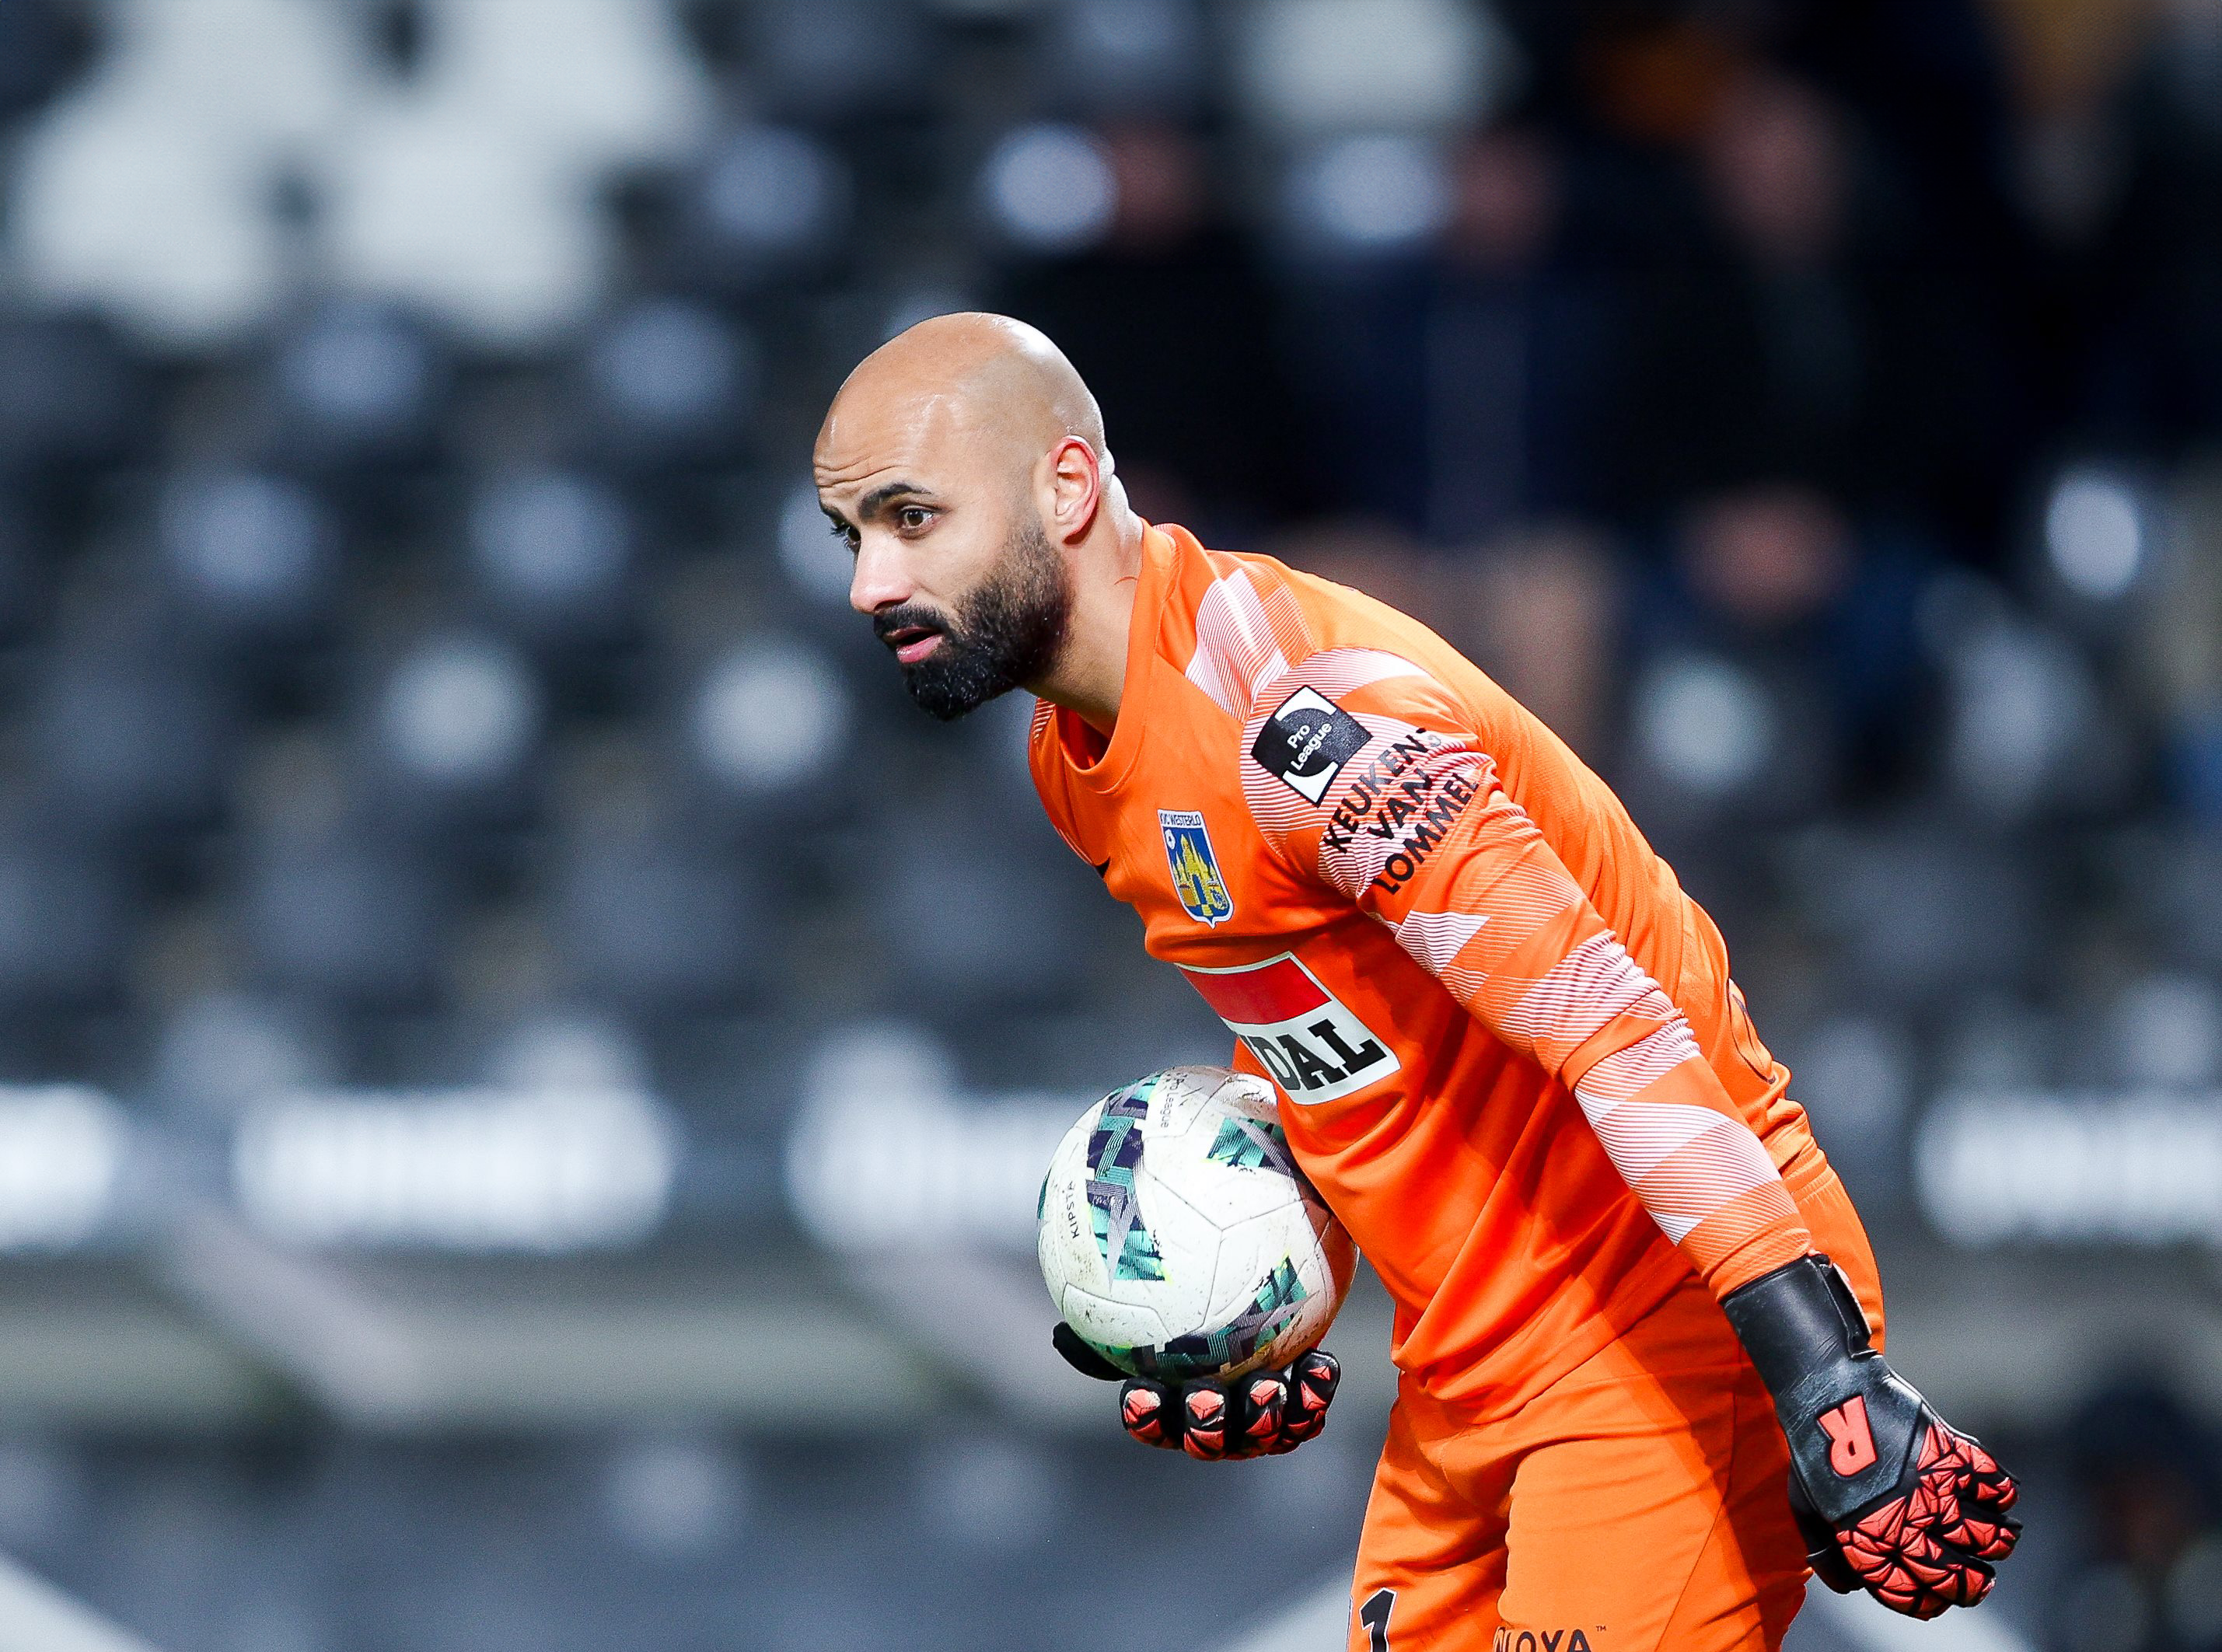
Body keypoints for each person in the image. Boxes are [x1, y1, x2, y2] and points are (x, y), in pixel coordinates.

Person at [813, 313, 2019, 1651]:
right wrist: (1244, 1309)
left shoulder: (1307, 731)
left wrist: (1823, 1375)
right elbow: (1348, 1053)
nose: (870, 582)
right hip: (1466, 1369)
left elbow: (1615, 1032)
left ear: (1066, 484)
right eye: (850, 535)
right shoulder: (1071, 756)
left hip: (1659, 1325)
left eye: (912, 518)